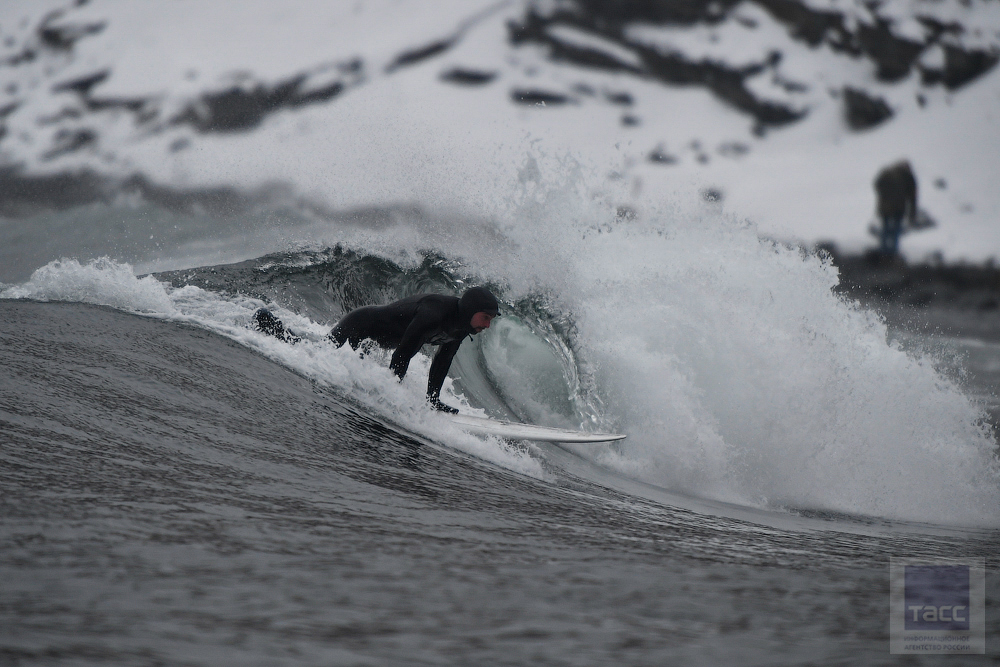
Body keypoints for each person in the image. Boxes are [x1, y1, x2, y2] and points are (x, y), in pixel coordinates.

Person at [252, 287, 500, 413]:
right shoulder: (434, 313)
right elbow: (402, 354)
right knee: (316, 354)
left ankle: (273, 327)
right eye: (485, 317)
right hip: (361, 326)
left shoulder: (461, 328)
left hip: (378, 339)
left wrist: (433, 401)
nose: (487, 325)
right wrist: (391, 396)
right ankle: (268, 324)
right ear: (470, 310)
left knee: (326, 357)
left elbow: (442, 361)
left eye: (490, 320)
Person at [873, 160, 917, 256]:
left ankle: (883, 250)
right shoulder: (907, 176)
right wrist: (912, 214)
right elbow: (912, 196)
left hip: (884, 206)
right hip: (898, 207)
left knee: (885, 227)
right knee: (896, 228)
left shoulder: (886, 172)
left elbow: (877, 185)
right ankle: (893, 252)